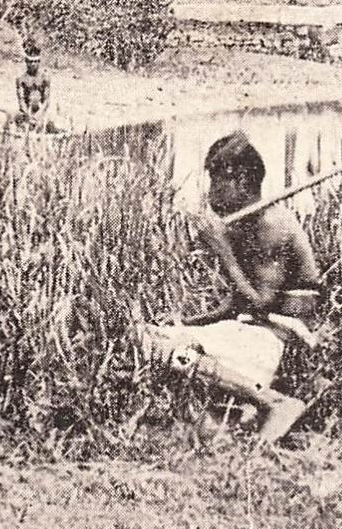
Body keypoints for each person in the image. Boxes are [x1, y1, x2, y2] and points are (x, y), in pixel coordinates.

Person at [138, 132, 323, 443]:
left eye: (216, 182)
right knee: (152, 336)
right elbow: (238, 304)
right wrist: (188, 323)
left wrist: (223, 250)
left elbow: (261, 303)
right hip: (252, 330)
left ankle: (274, 403)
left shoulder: (271, 225)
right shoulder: (249, 223)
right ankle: (243, 414)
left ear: (240, 181)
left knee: (162, 346)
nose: (211, 194)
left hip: (273, 338)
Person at [13, 40, 54, 131]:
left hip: (41, 111)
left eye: (36, 61)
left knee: (52, 123)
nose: (33, 64)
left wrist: (39, 114)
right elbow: (21, 99)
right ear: (26, 62)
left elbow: (46, 100)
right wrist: (28, 114)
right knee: (16, 123)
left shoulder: (44, 78)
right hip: (27, 111)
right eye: (30, 62)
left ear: (39, 62)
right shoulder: (21, 79)